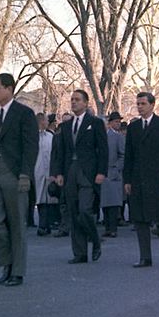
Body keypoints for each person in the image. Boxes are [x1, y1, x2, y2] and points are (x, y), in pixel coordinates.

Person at [0, 73, 38, 286]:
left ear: (9, 89)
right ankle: (7, 261)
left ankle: (17, 271)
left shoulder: (25, 113)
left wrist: (25, 174)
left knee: (17, 223)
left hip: (14, 173)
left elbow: (31, 147)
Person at [123, 92, 159, 268]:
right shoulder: (133, 128)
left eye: (143, 104)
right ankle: (145, 257)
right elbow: (129, 157)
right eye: (138, 104)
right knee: (140, 219)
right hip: (139, 179)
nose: (139, 107)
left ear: (152, 105)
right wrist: (127, 180)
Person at [51, 89, 108, 264]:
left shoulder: (95, 123)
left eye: (77, 100)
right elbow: (60, 152)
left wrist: (101, 172)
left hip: (88, 173)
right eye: (72, 100)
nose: (73, 102)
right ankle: (80, 253)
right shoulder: (65, 126)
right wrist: (58, 173)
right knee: (73, 213)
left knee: (85, 211)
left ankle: (95, 240)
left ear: (85, 103)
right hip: (70, 173)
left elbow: (103, 150)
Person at [100, 112, 125, 238]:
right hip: (103, 172)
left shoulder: (119, 137)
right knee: (105, 202)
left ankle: (113, 228)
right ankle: (107, 227)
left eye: (119, 122)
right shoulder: (104, 135)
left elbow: (122, 155)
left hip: (114, 172)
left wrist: (117, 169)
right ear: (110, 123)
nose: (118, 124)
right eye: (116, 122)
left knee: (114, 203)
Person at [33, 113, 55, 237]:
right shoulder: (33, 137)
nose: (48, 122)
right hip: (38, 171)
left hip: (49, 171)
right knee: (40, 198)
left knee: (50, 196)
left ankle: (47, 224)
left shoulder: (50, 137)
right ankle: (42, 225)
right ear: (41, 121)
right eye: (46, 120)